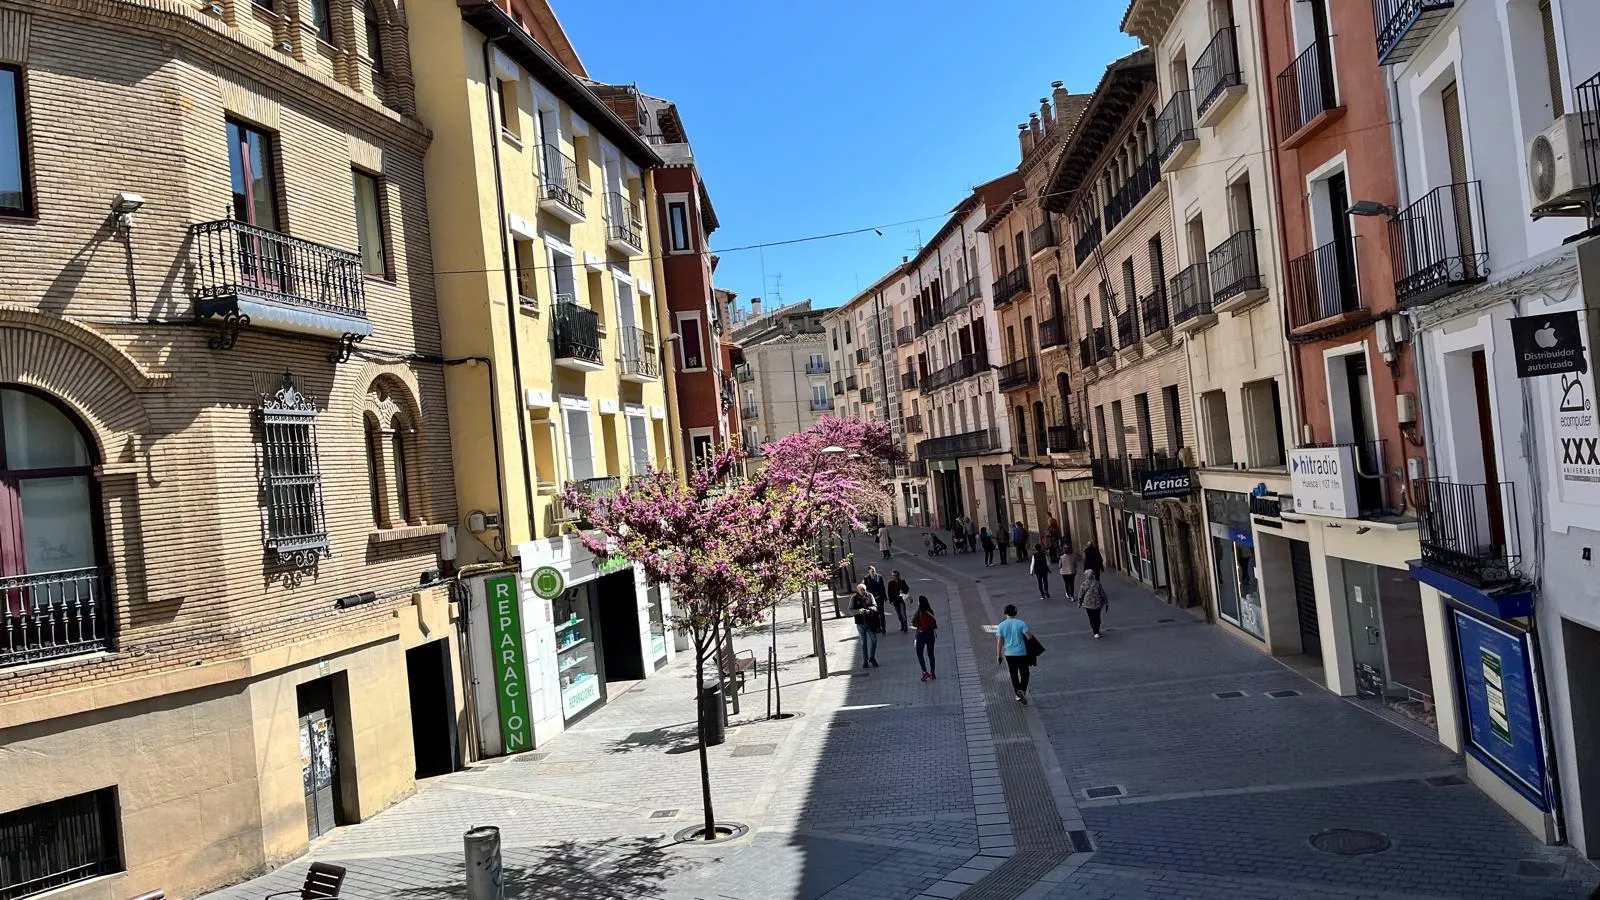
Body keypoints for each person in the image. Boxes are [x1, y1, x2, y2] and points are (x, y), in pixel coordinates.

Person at [995, 604, 1035, 703]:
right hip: (1021, 652)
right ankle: (1022, 690)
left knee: (1013, 673)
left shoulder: (1001, 625)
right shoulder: (1021, 623)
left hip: (1009, 653)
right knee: (1025, 673)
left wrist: (999, 655)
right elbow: (1029, 637)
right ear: (1015, 612)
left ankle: (1017, 692)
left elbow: (999, 642)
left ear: (1005, 613)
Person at [850, 583, 880, 667]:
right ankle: (865, 660)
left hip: (870, 622)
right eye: (862, 590)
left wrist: (869, 610)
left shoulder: (870, 596)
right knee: (863, 643)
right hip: (860, 623)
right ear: (858, 590)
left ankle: (872, 657)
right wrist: (858, 611)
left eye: (864, 589)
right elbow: (850, 609)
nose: (863, 591)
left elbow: (875, 606)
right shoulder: (854, 598)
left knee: (874, 640)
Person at [1076, 567, 1109, 638]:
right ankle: (1097, 629)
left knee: (1091, 617)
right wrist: (1106, 601)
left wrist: (1079, 603)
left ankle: (1095, 631)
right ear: (1093, 575)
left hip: (1088, 604)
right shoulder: (1097, 583)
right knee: (1097, 617)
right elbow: (1102, 593)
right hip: (1098, 603)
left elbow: (1080, 594)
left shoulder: (1084, 584)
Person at [910, 595, 938, 681]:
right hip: (930, 634)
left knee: (919, 653)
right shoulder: (930, 611)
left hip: (922, 635)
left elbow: (913, 622)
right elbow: (934, 623)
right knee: (931, 654)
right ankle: (932, 673)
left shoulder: (920, 612)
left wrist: (919, 625)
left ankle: (925, 672)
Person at [864, 566, 889, 633]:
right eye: (872, 571)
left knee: (881, 613)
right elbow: (866, 589)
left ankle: (883, 627)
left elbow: (882, 587)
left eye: (874, 571)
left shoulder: (879, 577)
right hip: (872, 599)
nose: (873, 572)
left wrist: (885, 597)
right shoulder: (866, 578)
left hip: (880, 597)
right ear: (869, 571)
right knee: (875, 613)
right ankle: (878, 627)